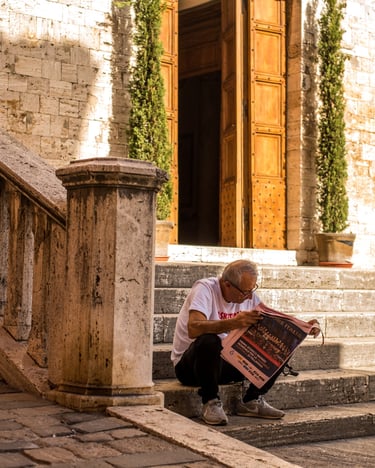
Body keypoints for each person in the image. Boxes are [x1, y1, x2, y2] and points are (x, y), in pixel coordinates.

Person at [171, 259, 321, 426]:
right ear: (227, 285)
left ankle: (252, 400)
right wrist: (233, 323)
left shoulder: (248, 296)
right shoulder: (205, 288)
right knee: (209, 340)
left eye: (252, 290)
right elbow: (194, 328)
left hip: (227, 362)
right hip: (192, 367)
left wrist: (303, 327)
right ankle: (211, 402)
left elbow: (272, 322)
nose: (249, 296)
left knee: (282, 344)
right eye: (244, 292)